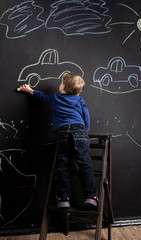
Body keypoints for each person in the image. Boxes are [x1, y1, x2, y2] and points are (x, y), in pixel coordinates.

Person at [18, 72, 98, 208]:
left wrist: (30, 90)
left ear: (63, 87)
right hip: (80, 131)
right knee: (85, 164)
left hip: (63, 132)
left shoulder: (56, 98)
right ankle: (91, 197)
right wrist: (86, 131)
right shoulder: (80, 100)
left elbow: (42, 96)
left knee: (63, 165)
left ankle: (63, 198)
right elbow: (86, 115)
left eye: (61, 82)